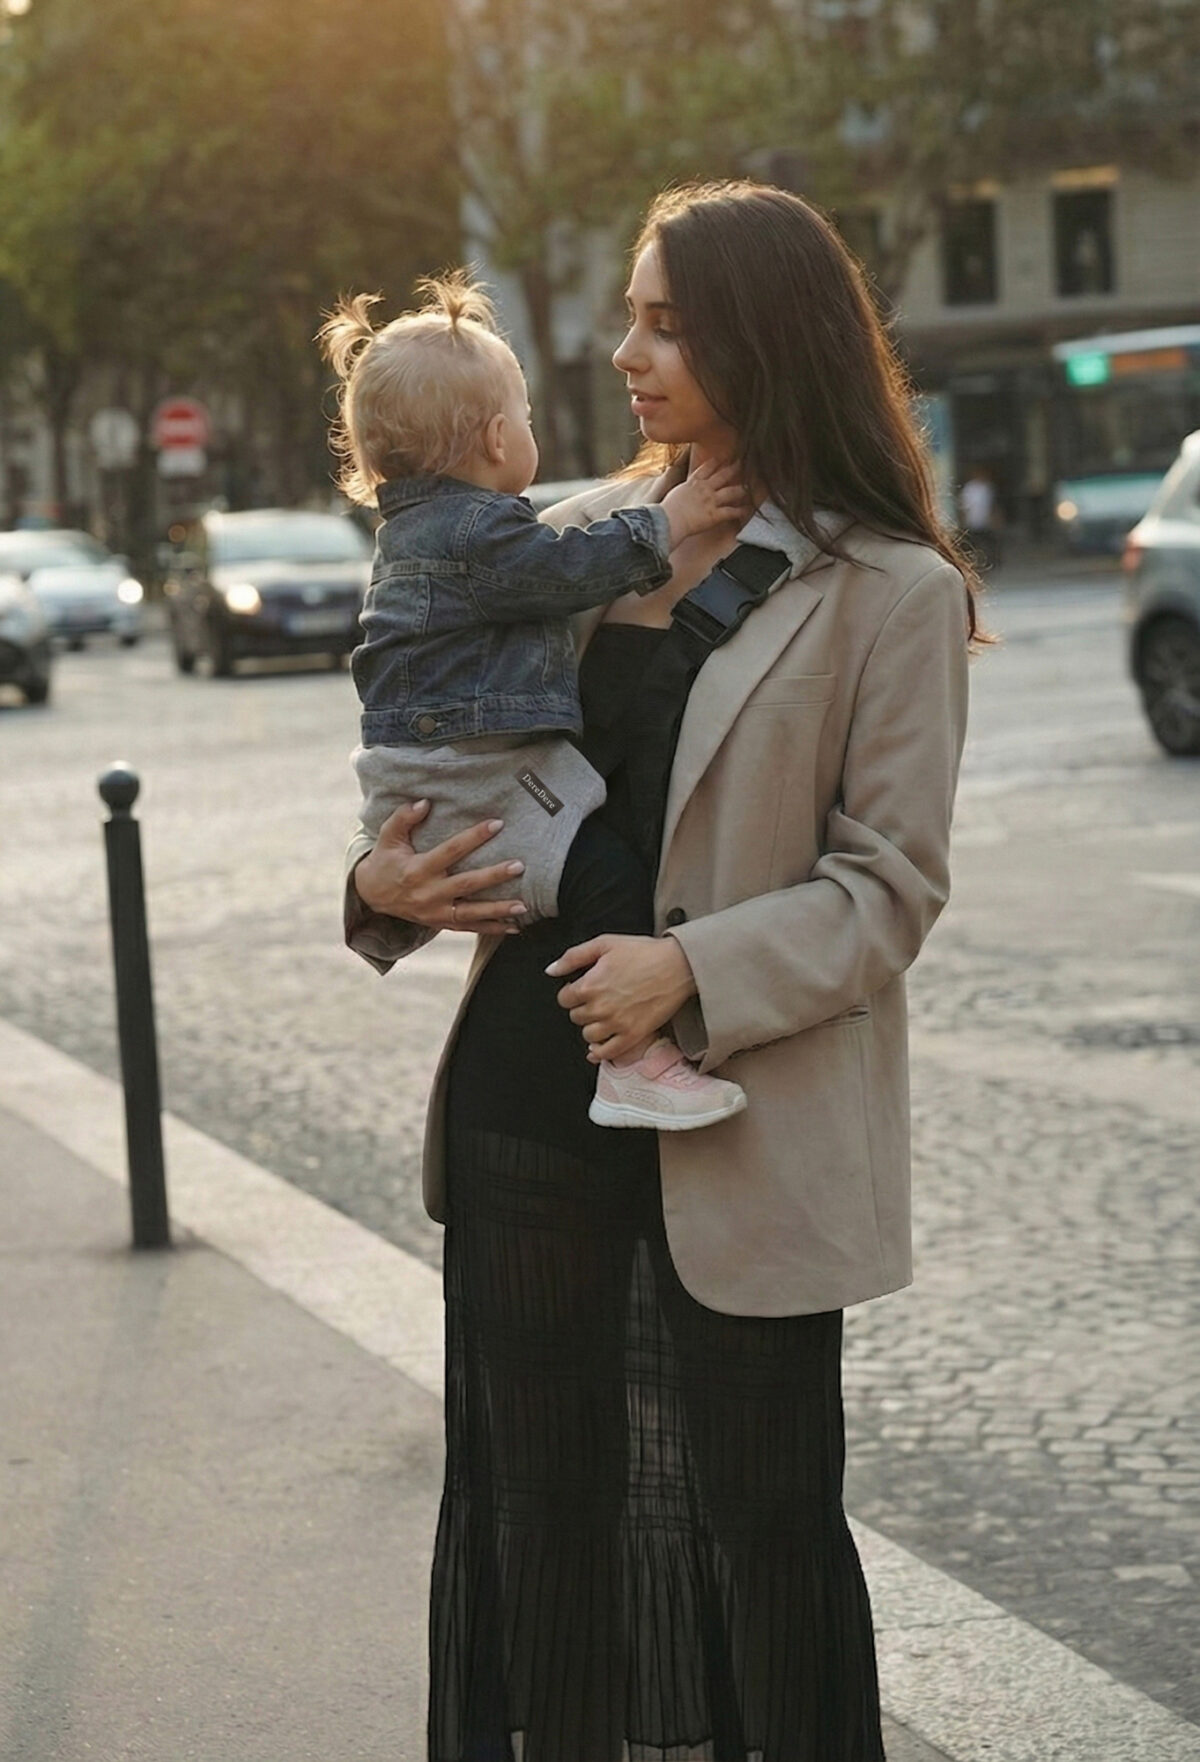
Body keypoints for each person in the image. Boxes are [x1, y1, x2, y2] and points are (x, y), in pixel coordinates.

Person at [344, 180, 980, 1762]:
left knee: (766, 1518)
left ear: (766, 340)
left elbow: (887, 886)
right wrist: (378, 886)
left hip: (744, 1116)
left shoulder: (893, 587)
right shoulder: (569, 540)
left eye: (667, 324)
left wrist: (685, 970)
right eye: (633, 318)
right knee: (543, 1509)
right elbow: (441, 749)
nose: (627, 353)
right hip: (528, 1100)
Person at [320, 275, 749, 1131]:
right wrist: (676, 520)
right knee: (606, 880)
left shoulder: (413, 535)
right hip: (475, 788)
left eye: (662, 326)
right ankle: (633, 1059)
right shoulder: (496, 534)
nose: (625, 355)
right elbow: (568, 569)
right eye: (524, 417)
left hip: (424, 777)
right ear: (494, 438)